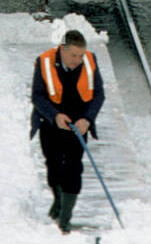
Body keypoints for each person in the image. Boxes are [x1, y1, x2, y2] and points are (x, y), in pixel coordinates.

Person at [29, 29, 105, 233]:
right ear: (62, 50)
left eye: (81, 55)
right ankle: (58, 199)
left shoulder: (90, 61)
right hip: (51, 123)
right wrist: (55, 116)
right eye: (73, 55)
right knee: (53, 165)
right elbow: (37, 96)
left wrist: (87, 120)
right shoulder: (44, 62)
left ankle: (65, 216)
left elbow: (98, 94)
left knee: (73, 167)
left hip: (78, 125)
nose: (78, 60)